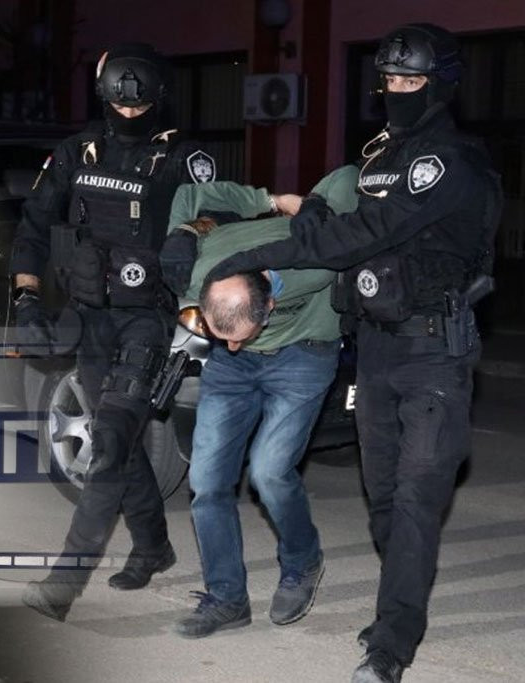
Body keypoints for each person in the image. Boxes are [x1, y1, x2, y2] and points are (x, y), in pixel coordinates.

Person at [205, 24, 502, 683]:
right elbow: (344, 227)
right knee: (384, 498)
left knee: (417, 499)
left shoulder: (447, 162)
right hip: (375, 350)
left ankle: (392, 644)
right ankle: (400, 601)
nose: (398, 90)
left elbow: (365, 233)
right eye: (390, 80)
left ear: (441, 83)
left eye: (411, 80)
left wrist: (250, 256)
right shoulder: (380, 158)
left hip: (434, 353)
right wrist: (311, 212)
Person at [11, 42, 217, 621]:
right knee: (118, 440)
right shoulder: (77, 152)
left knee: (109, 445)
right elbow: (32, 225)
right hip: (90, 317)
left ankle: (62, 585)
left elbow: (220, 214)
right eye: (120, 105)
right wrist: (27, 297)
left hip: (146, 319)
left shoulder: (183, 157)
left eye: (140, 106)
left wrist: (192, 230)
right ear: (104, 97)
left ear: (158, 99)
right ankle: (153, 546)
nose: (129, 114)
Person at [161, 167, 359, 639]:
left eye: (238, 336)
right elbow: (189, 194)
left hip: (303, 355)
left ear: (269, 306)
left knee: (270, 472)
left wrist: (315, 207)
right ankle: (227, 599)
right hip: (233, 374)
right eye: (220, 335)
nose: (229, 345)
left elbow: (350, 176)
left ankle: (303, 562)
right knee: (207, 480)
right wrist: (269, 200)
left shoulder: (315, 262)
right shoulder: (195, 270)